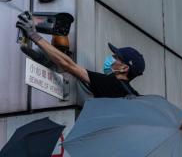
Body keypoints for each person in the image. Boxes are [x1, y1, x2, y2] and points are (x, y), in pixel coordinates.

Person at [16, 14, 145, 98]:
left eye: (116, 57)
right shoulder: (133, 95)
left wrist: (33, 34)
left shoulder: (111, 83)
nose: (110, 58)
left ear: (124, 68)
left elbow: (68, 64)